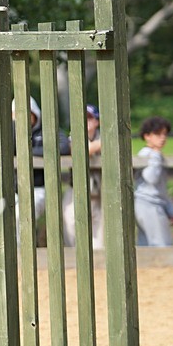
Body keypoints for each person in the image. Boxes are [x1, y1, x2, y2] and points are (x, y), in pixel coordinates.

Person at [64, 104, 103, 248]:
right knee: (71, 223)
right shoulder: (75, 134)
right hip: (77, 189)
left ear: (97, 121)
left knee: (100, 234)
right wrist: (102, 143)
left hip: (100, 192)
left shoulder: (101, 135)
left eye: (89, 118)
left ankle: (99, 264)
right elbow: (79, 150)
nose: (85, 121)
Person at [134, 116, 173, 247]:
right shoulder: (147, 154)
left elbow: (161, 186)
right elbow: (151, 178)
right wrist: (156, 156)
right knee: (161, 245)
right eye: (157, 134)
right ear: (147, 136)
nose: (162, 138)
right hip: (147, 203)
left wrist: (169, 209)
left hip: (154, 203)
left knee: (146, 244)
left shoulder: (155, 155)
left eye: (164, 134)